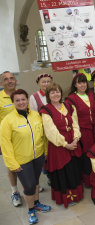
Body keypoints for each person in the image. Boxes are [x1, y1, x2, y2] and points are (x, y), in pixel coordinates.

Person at [0, 89, 51, 224]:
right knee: (28, 186)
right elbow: (5, 144)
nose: (21, 102)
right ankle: (31, 209)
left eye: (23, 99)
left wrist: (45, 152)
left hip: (38, 156)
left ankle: (37, 202)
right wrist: (12, 164)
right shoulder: (7, 121)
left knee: (35, 181)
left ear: (27, 100)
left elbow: (43, 136)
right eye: (17, 100)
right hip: (22, 160)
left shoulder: (35, 115)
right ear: (13, 102)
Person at [40, 83, 83, 208]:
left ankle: (76, 195)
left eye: (57, 91)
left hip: (73, 143)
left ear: (61, 93)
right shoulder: (46, 110)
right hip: (58, 146)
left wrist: (76, 139)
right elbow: (50, 131)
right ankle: (66, 197)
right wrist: (65, 144)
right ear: (48, 95)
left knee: (73, 169)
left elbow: (75, 123)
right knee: (63, 171)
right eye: (52, 92)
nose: (55, 94)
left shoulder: (68, 106)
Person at [65, 73, 95, 187]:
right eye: (79, 82)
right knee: (86, 155)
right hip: (82, 131)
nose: (82, 85)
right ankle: (87, 180)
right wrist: (76, 135)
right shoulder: (71, 99)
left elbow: (94, 112)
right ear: (75, 85)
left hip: (93, 129)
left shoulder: (91, 94)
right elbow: (72, 120)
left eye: (84, 82)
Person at [0, 71, 22, 207]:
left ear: (15, 80)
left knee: (26, 163)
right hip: (8, 140)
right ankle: (14, 191)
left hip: (23, 137)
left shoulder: (20, 94)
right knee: (11, 166)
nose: (10, 81)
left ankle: (29, 185)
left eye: (12, 78)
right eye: (6, 79)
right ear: (2, 83)